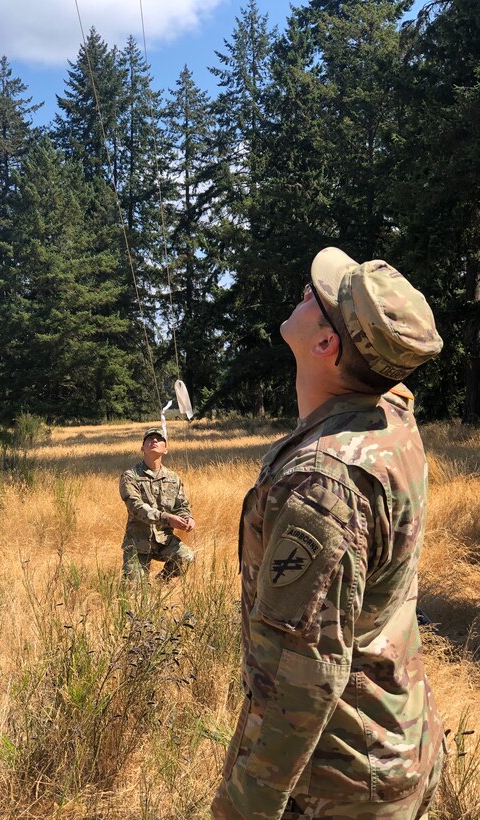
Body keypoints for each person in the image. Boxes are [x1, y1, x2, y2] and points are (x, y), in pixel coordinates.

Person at [211, 248, 445, 820]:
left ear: (326, 346)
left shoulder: (322, 487)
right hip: (396, 743)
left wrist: (243, 809)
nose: (306, 290)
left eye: (319, 297)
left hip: (339, 784)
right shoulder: (390, 417)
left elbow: (301, 677)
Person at [119, 427, 195, 581]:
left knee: (187, 558)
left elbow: (181, 506)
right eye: (149, 439)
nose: (154, 441)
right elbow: (136, 507)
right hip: (137, 542)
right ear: (142, 447)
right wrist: (166, 518)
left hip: (163, 540)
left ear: (165, 449)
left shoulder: (173, 478)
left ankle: (160, 584)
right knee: (134, 592)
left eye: (159, 439)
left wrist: (188, 518)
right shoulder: (130, 476)